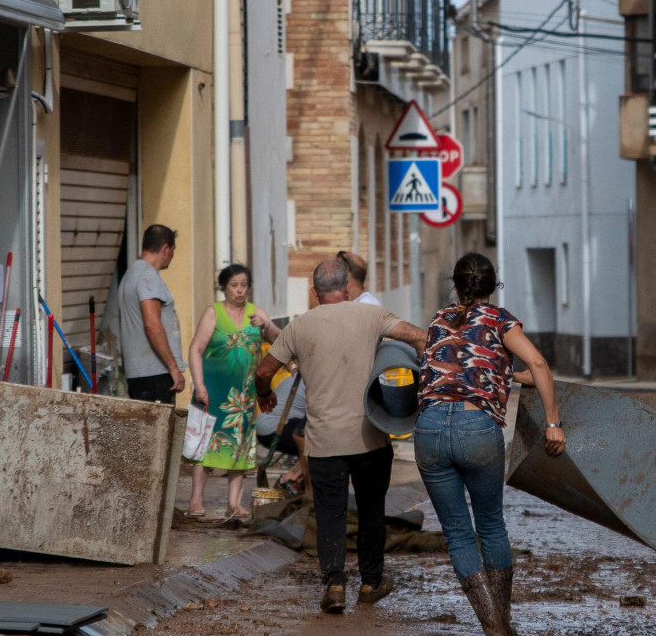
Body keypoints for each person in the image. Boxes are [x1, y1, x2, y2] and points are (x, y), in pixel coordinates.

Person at [254, 259, 429, 614]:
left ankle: (334, 584)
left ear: (315, 293)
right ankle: (371, 582)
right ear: (348, 288)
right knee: (370, 511)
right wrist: (421, 384)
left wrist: (264, 395)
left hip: (324, 442)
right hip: (370, 438)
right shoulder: (373, 317)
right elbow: (421, 337)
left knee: (330, 513)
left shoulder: (300, 326)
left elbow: (264, 370)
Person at [415, 252, 566, 636]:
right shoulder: (499, 320)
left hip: (428, 430)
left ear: (456, 285)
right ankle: (502, 621)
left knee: (458, 534)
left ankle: (494, 632)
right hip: (475, 428)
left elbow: (455, 365)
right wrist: (553, 423)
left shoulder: (438, 320)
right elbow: (537, 362)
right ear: (492, 285)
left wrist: (503, 374)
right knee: (491, 523)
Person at [186, 264, 278, 521]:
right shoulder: (213, 313)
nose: (239, 290)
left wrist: (266, 325)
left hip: (242, 396)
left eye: (243, 285)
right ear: (224, 287)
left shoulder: (255, 313)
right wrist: (199, 384)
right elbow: (195, 349)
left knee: (240, 447)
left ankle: (233, 504)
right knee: (205, 445)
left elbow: (280, 340)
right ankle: (195, 501)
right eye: (234, 285)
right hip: (212, 391)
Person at [113, 224, 189, 404]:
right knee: (161, 431)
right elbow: (152, 325)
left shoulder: (131, 274)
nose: (172, 256)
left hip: (137, 373)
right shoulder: (148, 277)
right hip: (154, 374)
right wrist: (174, 368)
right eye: (173, 250)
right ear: (165, 249)